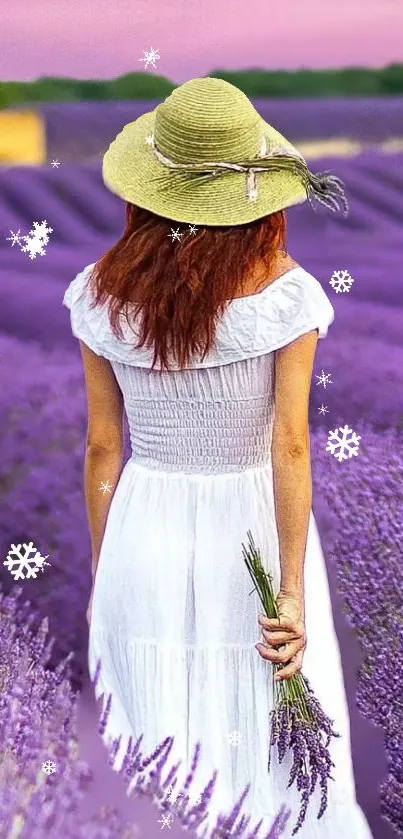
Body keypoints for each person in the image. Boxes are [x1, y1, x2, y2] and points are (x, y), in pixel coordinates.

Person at [63, 77, 373, 838]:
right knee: (264, 741)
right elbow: (290, 445)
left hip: (146, 525)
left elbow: (103, 447)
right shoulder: (285, 298)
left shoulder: (96, 296)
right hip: (251, 531)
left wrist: (109, 567)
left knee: (156, 737)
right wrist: (291, 592)